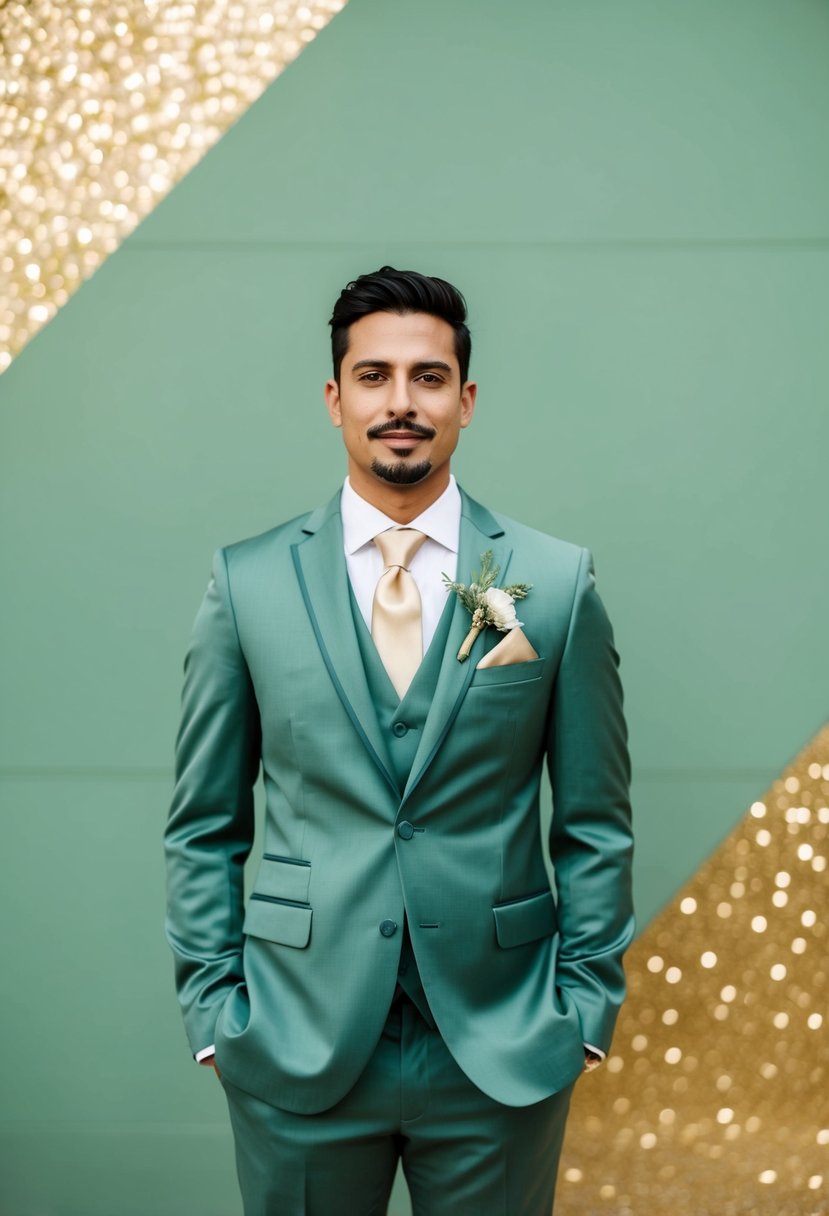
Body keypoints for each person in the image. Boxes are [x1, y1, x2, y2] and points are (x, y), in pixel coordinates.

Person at [164, 266, 634, 1215]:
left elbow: (593, 821)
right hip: (294, 1039)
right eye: (373, 376)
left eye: (426, 377)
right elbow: (203, 823)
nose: (400, 402)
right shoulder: (247, 583)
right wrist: (216, 1016)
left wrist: (581, 1015)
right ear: (335, 398)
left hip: (500, 1044)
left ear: (464, 399)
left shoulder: (553, 578)